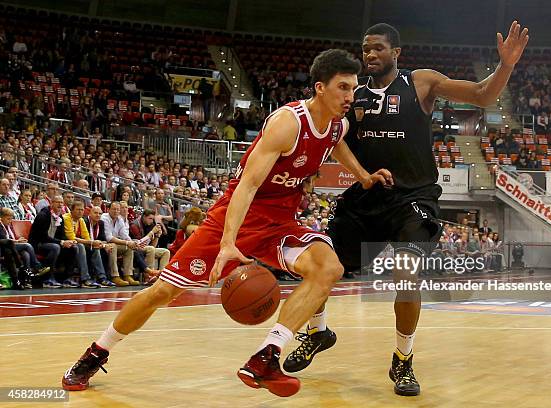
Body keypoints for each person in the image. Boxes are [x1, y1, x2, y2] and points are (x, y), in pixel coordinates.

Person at [62, 49, 391, 397]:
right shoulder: (287, 123)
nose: (349, 97)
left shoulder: (340, 123)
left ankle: (266, 357)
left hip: (279, 222)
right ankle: (96, 352)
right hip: (234, 218)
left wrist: (363, 176)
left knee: (328, 267)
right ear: (320, 88)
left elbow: (335, 143)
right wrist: (228, 242)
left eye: (353, 89)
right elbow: (247, 186)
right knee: (163, 292)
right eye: (343, 87)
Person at [284, 21, 529, 397]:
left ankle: (403, 359)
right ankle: (317, 332)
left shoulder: (421, 82)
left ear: (396, 52)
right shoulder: (351, 94)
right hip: (367, 197)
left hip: (413, 198)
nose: (370, 54)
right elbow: (332, 138)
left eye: (378, 48)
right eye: (366, 48)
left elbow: (481, 94)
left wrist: (507, 65)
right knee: (321, 265)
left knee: (405, 273)